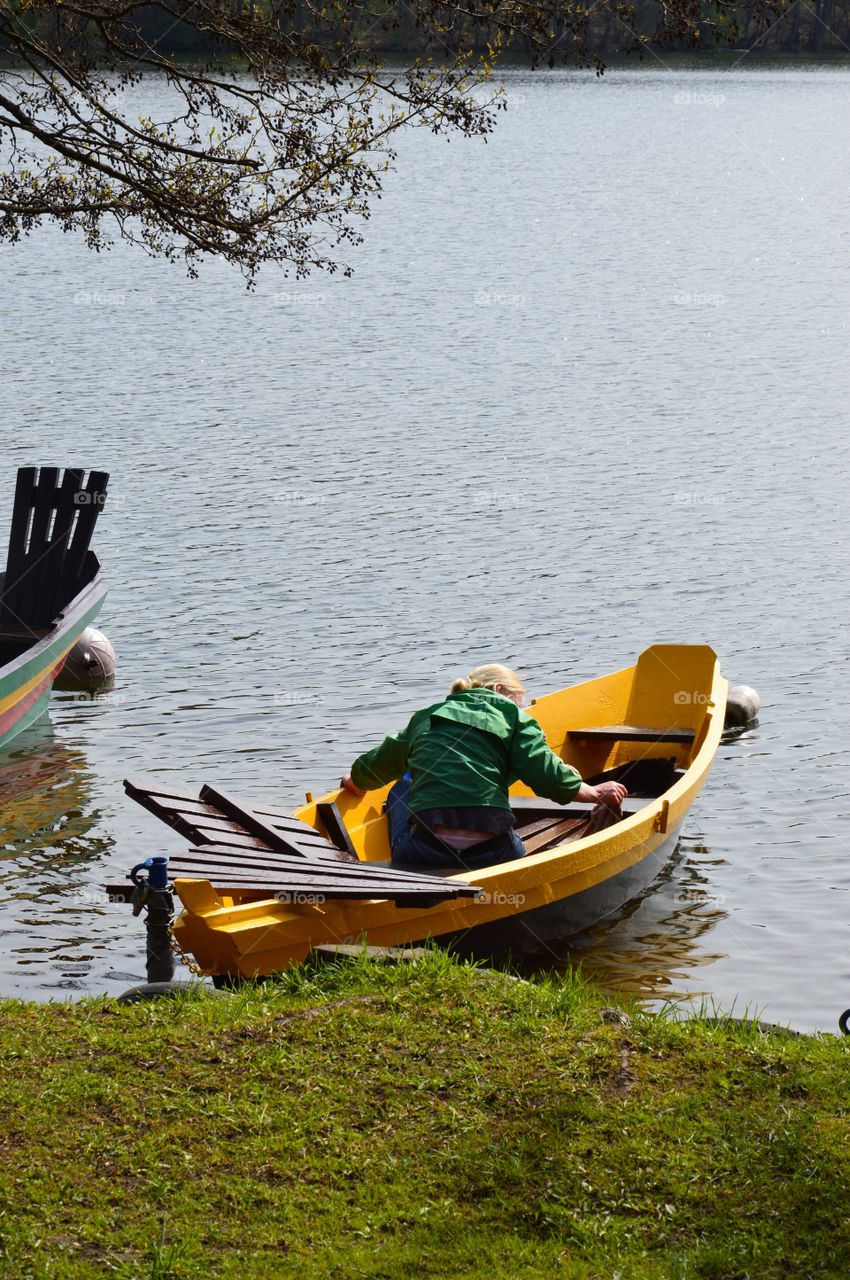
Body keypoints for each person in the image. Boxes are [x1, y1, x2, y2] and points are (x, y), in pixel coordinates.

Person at [340, 663, 627, 871]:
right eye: (519, 699)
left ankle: (406, 867)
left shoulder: (426, 717)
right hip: (497, 854)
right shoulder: (516, 720)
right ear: (501, 690)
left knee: (402, 785)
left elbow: (378, 764)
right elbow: (547, 776)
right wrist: (593, 792)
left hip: (423, 854)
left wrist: (356, 781)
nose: (521, 707)